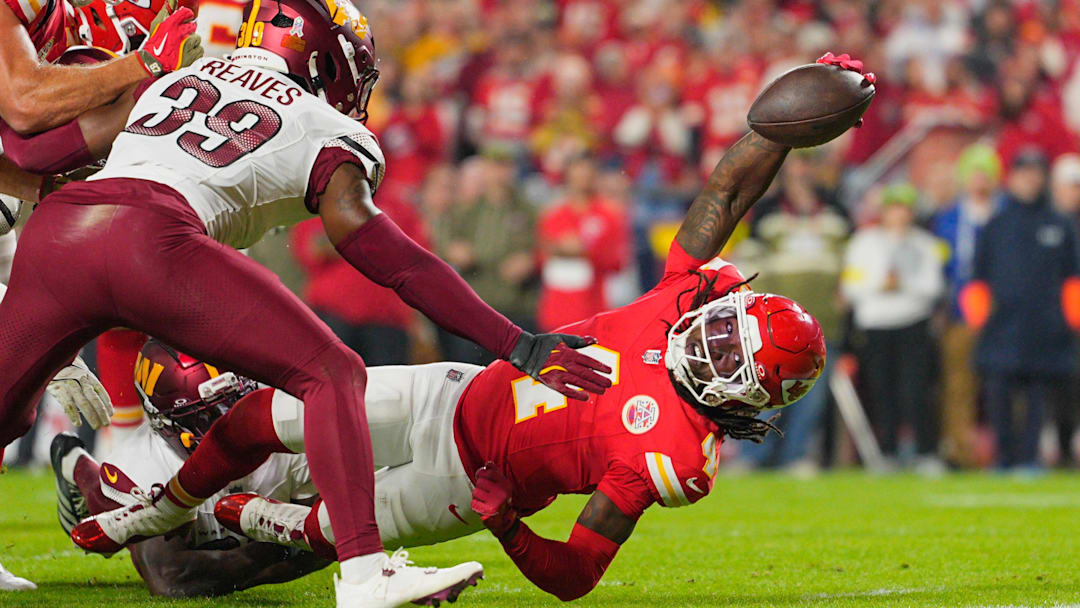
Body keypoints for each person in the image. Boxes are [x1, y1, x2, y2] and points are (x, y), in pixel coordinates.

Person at [75, 51, 876, 598]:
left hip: (460, 487)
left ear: (746, 395)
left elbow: (579, 573)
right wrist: (779, 132)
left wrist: (509, 532)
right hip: (454, 392)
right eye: (727, 325)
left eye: (732, 353)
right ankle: (153, 496)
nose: (712, 337)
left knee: (277, 550)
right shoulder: (682, 300)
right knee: (266, 415)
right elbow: (726, 195)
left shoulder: (676, 454)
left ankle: (169, 525)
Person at [3, 1, 612, 607]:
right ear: (327, 60)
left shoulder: (173, 78)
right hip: (154, 242)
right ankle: (366, 574)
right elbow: (390, 258)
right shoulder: (327, 123)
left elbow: (33, 157)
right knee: (331, 373)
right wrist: (519, 343)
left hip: (58, 236)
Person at [50, 340, 330, 598]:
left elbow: (328, 546)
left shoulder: (289, 426)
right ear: (166, 423)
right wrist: (276, 542)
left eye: (236, 402)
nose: (229, 422)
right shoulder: (147, 466)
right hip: (153, 494)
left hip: (223, 537)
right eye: (208, 416)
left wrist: (236, 559)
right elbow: (171, 579)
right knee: (106, 512)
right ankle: (74, 462)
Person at [963, 150, 1080, 471]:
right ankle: (1004, 457)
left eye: (1035, 172)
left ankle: (1029, 458)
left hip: (1046, 328)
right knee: (998, 396)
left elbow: (1073, 276)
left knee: (1037, 400)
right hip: (1000, 327)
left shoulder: (1060, 224)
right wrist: (979, 318)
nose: (1030, 179)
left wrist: (1071, 319)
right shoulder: (996, 225)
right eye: (1024, 172)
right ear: (1012, 177)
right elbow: (978, 277)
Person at [842, 184, 945, 469]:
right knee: (881, 391)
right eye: (894, 207)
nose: (899, 214)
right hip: (876, 325)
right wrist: (881, 285)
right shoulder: (863, 242)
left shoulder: (925, 244)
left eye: (904, 208)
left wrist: (902, 285)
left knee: (915, 390)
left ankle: (926, 452)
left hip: (913, 323)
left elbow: (933, 287)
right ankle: (885, 453)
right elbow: (852, 287)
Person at [931, 144, 1003, 467]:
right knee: (959, 385)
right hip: (960, 312)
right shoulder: (948, 219)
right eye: (974, 173)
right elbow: (942, 267)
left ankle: (1007, 450)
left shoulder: (1005, 215)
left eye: (985, 173)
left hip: (1003, 315)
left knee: (1005, 384)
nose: (979, 180)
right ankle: (959, 451)